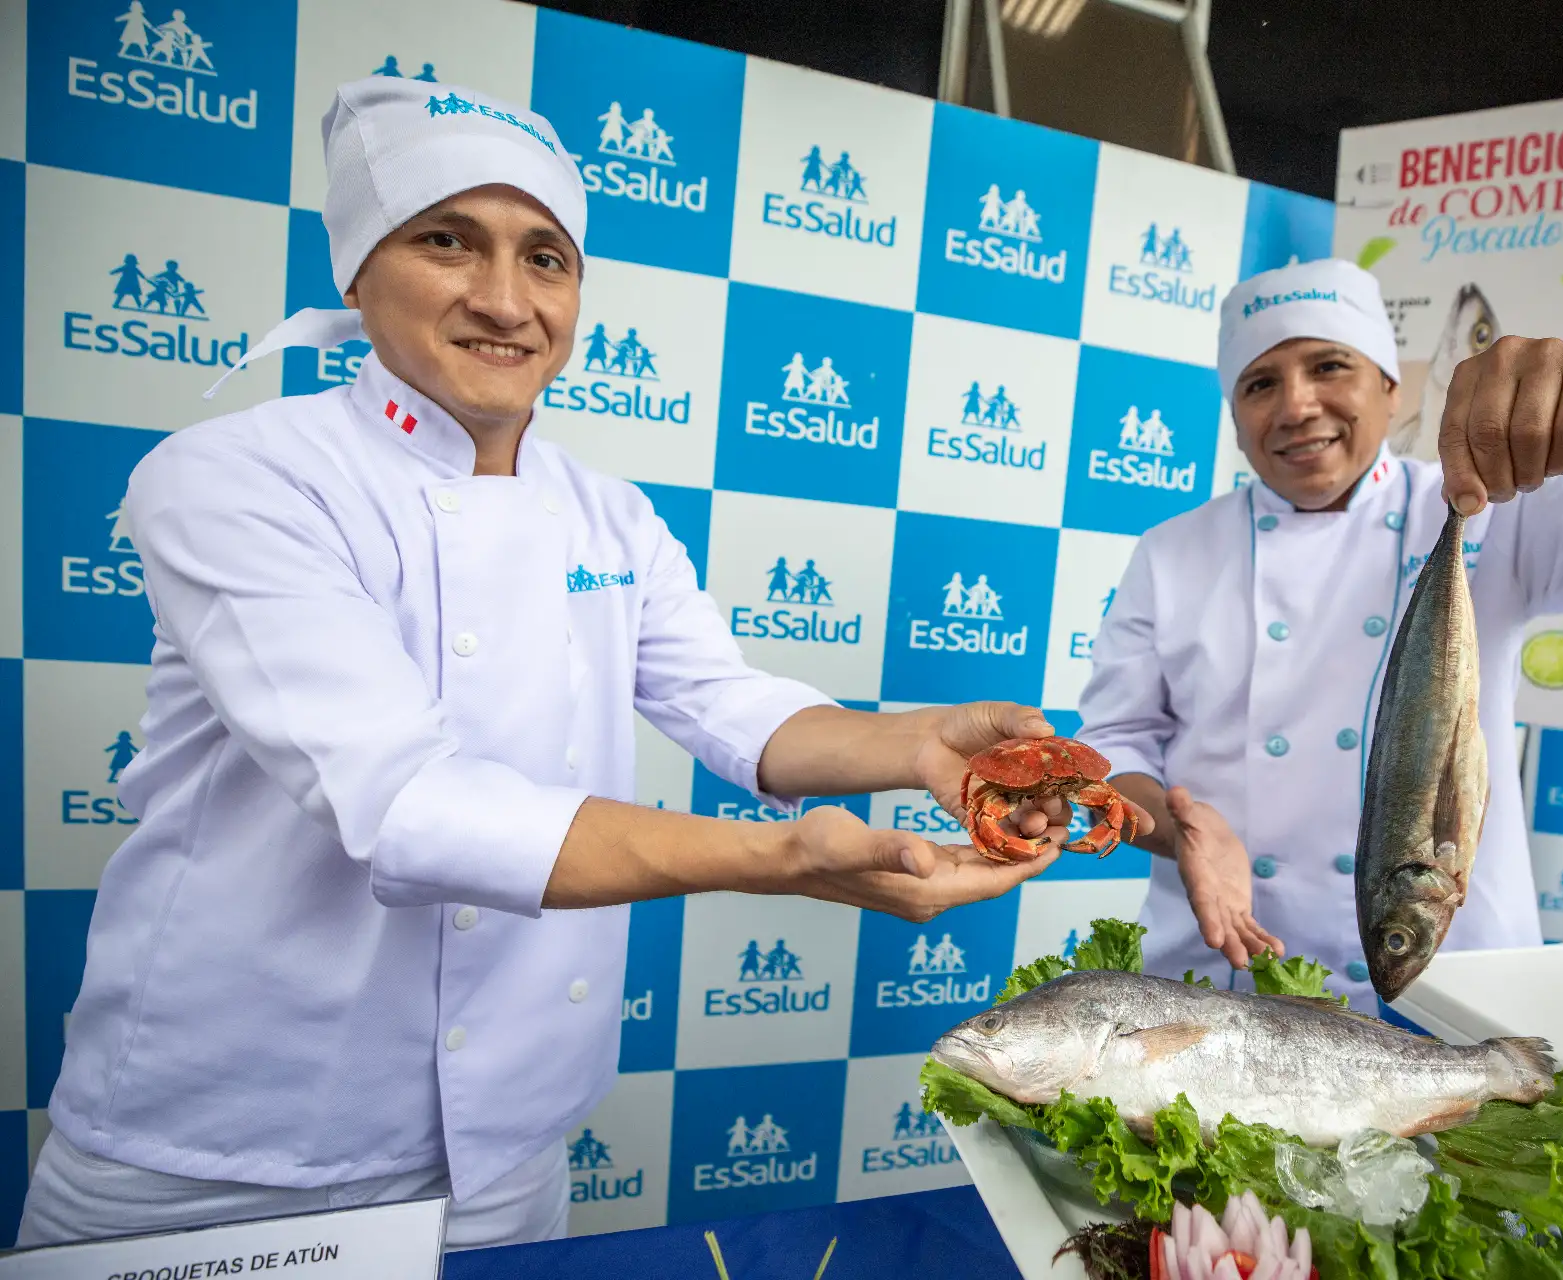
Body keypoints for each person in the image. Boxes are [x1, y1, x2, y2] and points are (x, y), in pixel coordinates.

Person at [15, 77, 1131, 1253]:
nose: (504, 299)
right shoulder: (239, 477)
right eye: (448, 241)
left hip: (505, 1150)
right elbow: (406, 802)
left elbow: (730, 702)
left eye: (545, 258)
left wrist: (913, 742)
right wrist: (780, 856)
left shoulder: (609, 515)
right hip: (226, 1147)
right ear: (357, 268)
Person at [1076, 257, 1563, 1010]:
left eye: (1329, 367)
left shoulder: (1490, 508)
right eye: (1259, 383)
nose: (1295, 405)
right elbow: (1114, 745)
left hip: (1451, 990)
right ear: (1235, 413)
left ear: (1390, 388)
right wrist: (1182, 834)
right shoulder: (1173, 551)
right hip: (1225, 978)